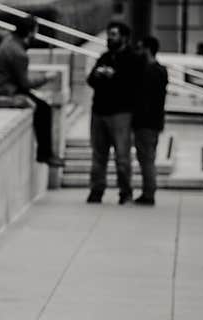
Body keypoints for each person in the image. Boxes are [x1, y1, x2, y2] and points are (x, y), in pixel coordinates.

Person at [0, 14, 63, 166]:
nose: (36, 35)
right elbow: (26, 83)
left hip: (4, 86)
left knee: (41, 105)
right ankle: (45, 155)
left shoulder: (9, 41)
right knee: (44, 109)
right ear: (30, 32)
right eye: (35, 31)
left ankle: (46, 154)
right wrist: (46, 77)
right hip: (6, 92)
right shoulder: (18, 53)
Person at [86, 20, 139, 205]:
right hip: (99, 112)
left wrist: (113, 76)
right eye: (109, 34)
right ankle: (96, 190)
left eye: (114, 34)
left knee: (122, 157)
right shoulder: (104, 57)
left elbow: (132, 85)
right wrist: (99, 75)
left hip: (120, 113)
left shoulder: (132, 58)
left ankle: (125, 192)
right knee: (98, 155)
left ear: (123, 37)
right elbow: (90, 80)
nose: (109, 37)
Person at [132, 36, 168, 206]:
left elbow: (144, 98)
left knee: (146, 159)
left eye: (140, 48)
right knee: (148, 158)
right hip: (154, 121)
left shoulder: (148, 71)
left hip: (145, 122)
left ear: (147, 49)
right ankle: (149, 191)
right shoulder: (160, 70)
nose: (137, 51)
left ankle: (148, 193)